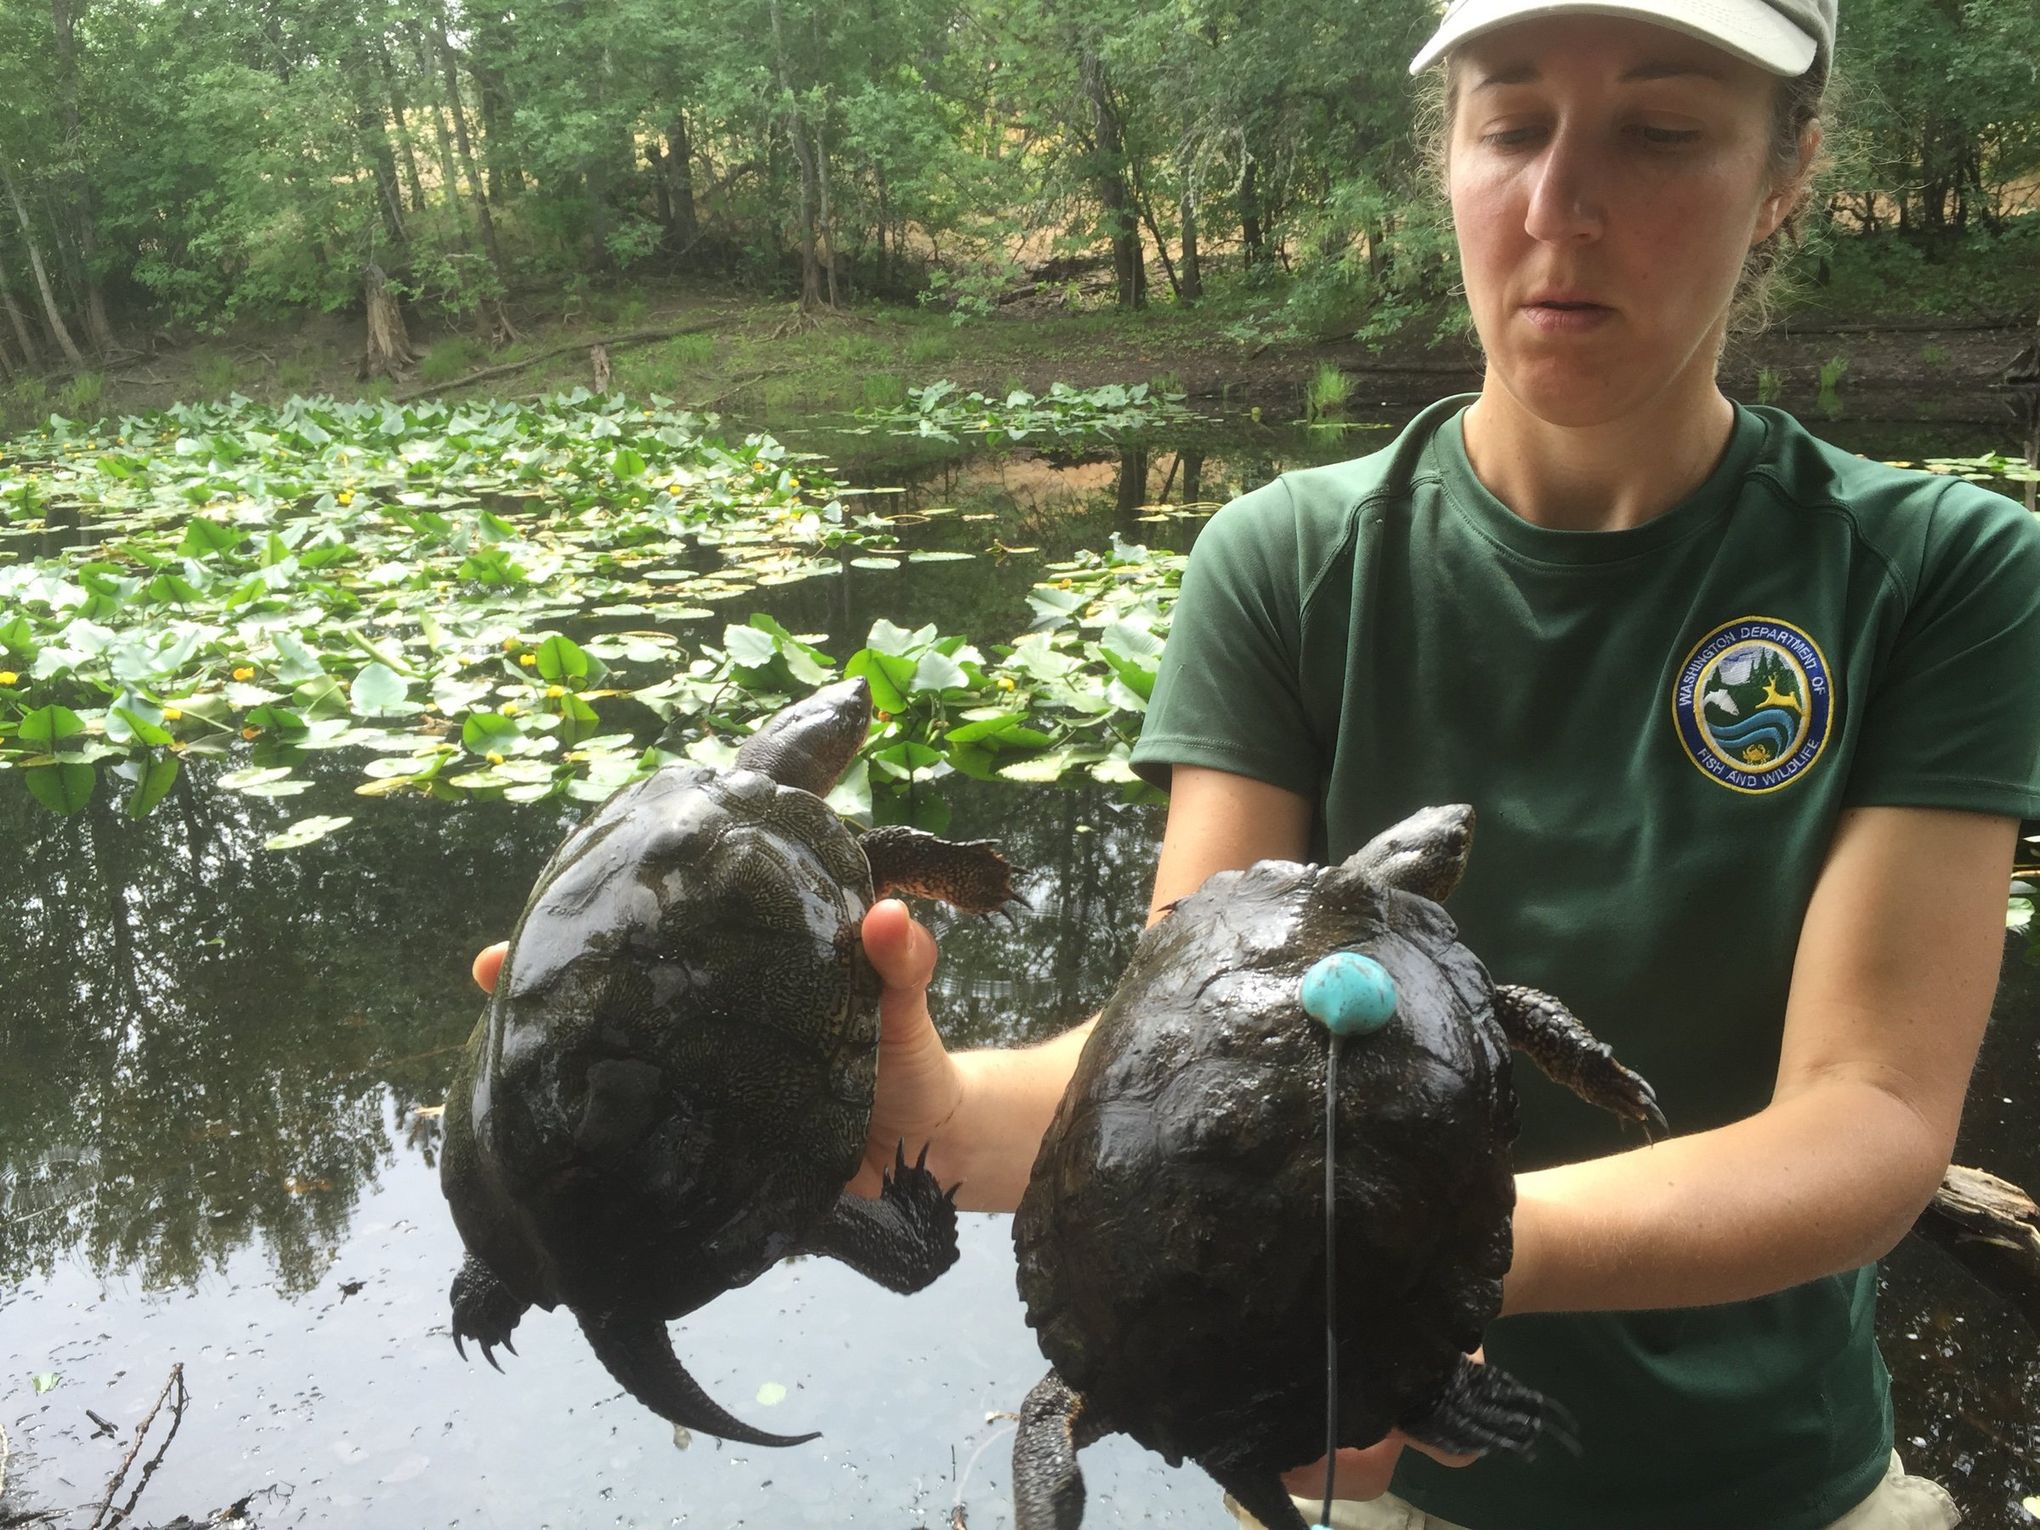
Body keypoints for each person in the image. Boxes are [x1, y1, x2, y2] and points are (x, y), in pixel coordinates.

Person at [475, 2, 2040, 1524]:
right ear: (1449, 159)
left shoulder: (1944, 571)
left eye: (1662, 129)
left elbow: (1870, 1123)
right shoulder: (1284, 560)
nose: (1563, 202)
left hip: (1764, 1490)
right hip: (1360, 1474)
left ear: (1787, 174)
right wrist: (916, 1106)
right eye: (1510, 126)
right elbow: (1173, 1086)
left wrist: (1405, 1271)